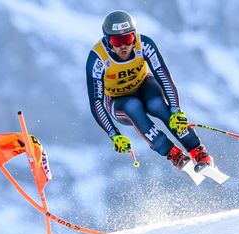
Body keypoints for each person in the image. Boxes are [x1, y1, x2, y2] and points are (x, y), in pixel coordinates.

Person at [86, 10, 213, 171]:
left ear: (134, 36)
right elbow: (96, 102)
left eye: (128, 38)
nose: (124, 46)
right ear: (107, 41)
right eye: (117, 41)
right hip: (118, 101)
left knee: (157, 104)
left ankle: (199, 152)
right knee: (133, 106)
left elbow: (164, 77)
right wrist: (113, 133)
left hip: (145, 87)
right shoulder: (98, 59)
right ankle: (173, 154)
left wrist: (176, 110)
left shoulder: (144, 44)